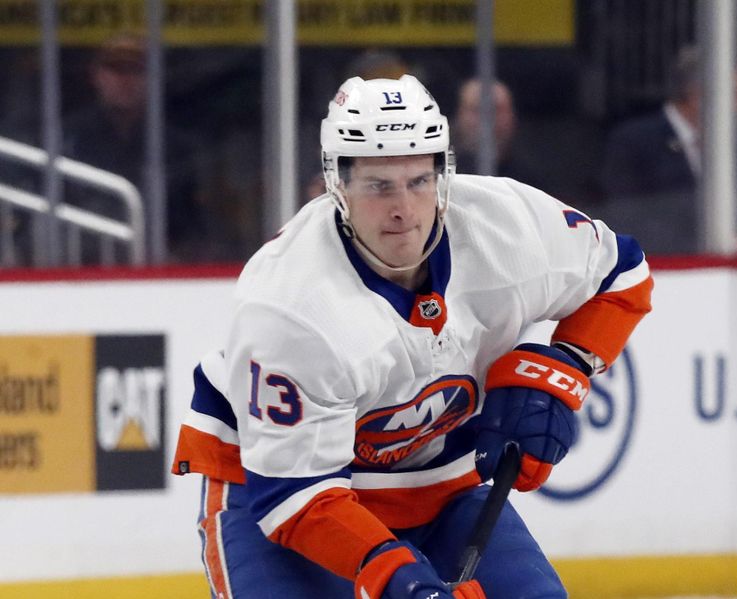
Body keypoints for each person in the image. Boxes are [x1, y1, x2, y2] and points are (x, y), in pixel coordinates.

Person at [171, 75, 653, 598]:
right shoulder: (291, 307)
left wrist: (564, 370)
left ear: (443, 175)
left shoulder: (505, 226)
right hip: (277, 494)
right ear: (339, 185)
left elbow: (621, 274)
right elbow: (292, 497)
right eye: (379, 186)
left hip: (434, 481)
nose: (403, 208)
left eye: (418, 181)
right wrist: (397, 578)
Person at [599, 46, 737, 254]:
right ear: (698, 94)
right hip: (667, 273)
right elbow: (628, 217)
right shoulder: (634, 141)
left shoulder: (733, 148)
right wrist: (707, 244)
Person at [62, 33, 207, 264]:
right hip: (83, 267)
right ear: (96, 76)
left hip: (158, 268)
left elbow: (191, 225)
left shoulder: (175, 146)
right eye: (116, 70)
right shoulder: (66, 141)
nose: (126, 80)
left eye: (136, 70)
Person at [451, 78, 542, 188]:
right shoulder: (441, 177)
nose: (487, 121)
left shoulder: (528, 183)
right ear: (459, 115)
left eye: (496, 110)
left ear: (512, 116)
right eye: (476, 110)